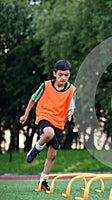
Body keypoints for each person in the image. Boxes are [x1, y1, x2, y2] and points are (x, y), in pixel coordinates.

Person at [19, 60, 76, 191]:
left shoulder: (71, 89)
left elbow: (72, 104)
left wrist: (71, 111)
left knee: (52, 155)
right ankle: (36, 148)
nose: (63, 78)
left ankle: (43, 181)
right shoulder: (46, 85)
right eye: (60, 75)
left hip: (59, 122)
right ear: (55, 74)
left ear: (69, 75)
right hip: (44, 116)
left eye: (66, 75)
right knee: (48, 133)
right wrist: (26, 114)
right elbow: (33, 98)